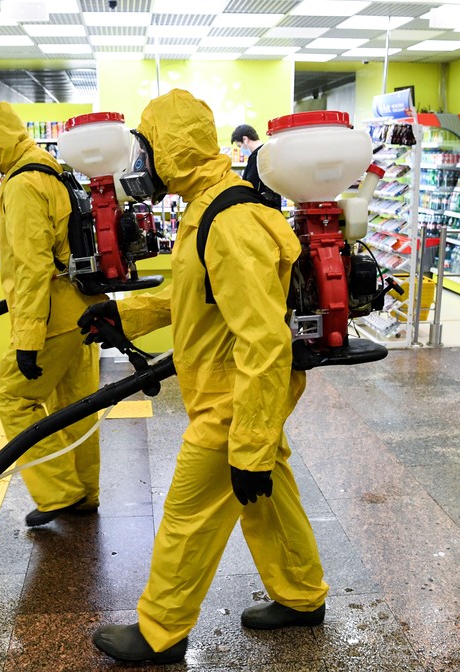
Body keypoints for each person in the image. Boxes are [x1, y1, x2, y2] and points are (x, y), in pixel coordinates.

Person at [81, 90, 327, 665]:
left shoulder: (229, 219)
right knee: (265, 492)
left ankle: (160, 630)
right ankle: (301, 594)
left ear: (172, 150)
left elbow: (264, 341)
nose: (138, 167)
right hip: (231, 388)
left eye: (145, 152)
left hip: (233, 396)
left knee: (189, 512)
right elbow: (197, 294)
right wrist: (129, 314)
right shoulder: (206, 205)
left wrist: (248, 440)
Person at [0, 101, 105, 527]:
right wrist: (2, 253)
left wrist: (27, 340)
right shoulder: (48, 167)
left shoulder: (22, 183)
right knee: (76, 404)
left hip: (52, 315)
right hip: (82, 306)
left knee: (13, 398)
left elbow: (32, 269)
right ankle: (83, 491)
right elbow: (45, 245)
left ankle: (58, 493)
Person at [231, 123, 282, 208]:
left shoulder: (257, 157)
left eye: (240, 146)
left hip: (261, 209)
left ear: (245, 139)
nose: (241, 150)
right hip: (272, 208)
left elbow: (252, 187)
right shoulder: (268, 152)